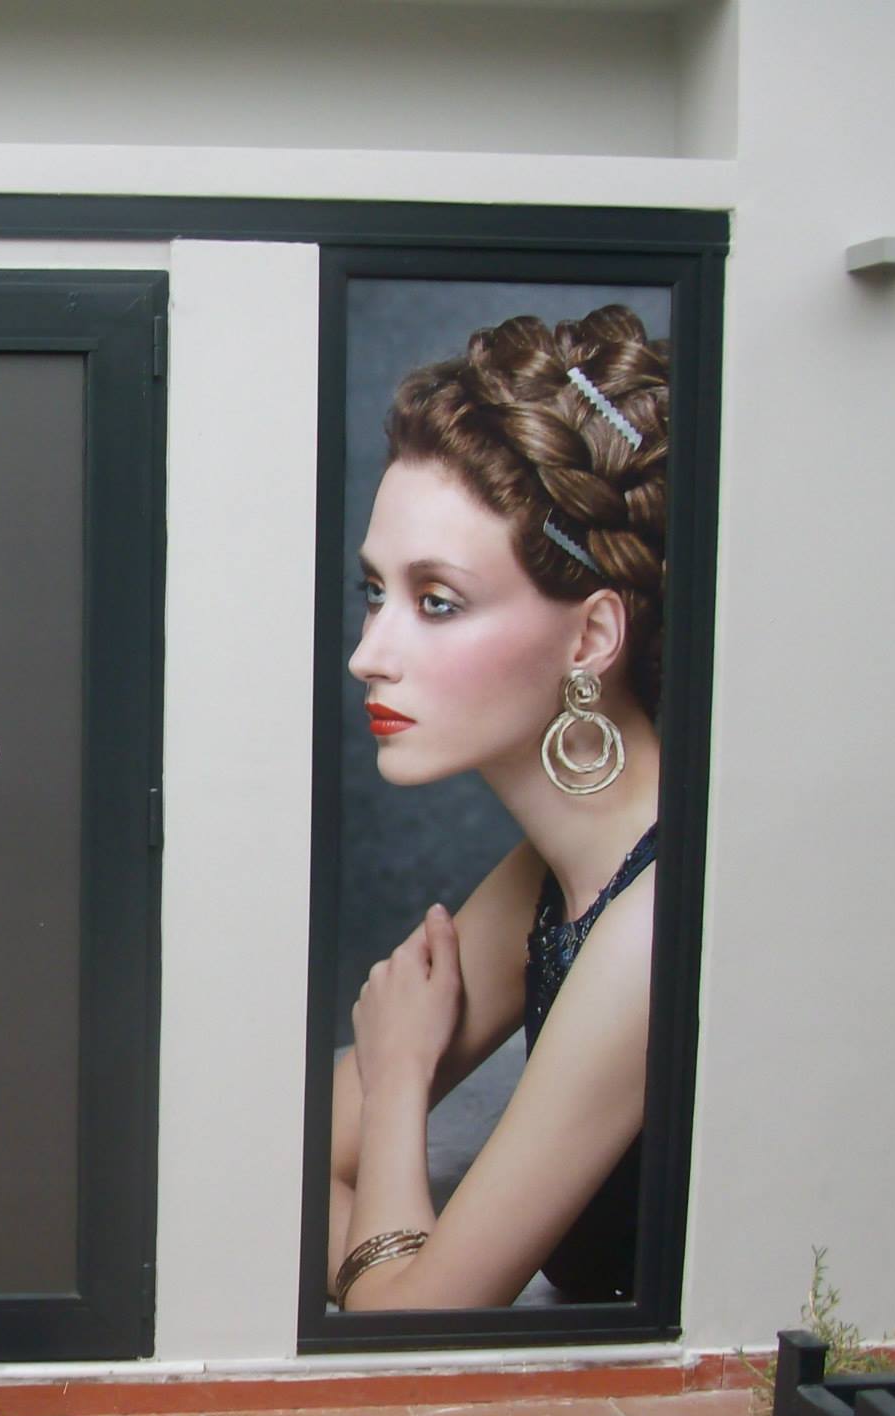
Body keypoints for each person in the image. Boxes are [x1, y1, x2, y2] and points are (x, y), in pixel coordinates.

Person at [327, 304, 669, 1310]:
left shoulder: (654, 920)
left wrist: (399, 1080)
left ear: (591, 637)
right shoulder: (560, 867)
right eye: (374, 591)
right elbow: (278, 1152)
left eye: (436, 601)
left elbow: (413, 1325)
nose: (368, 655)